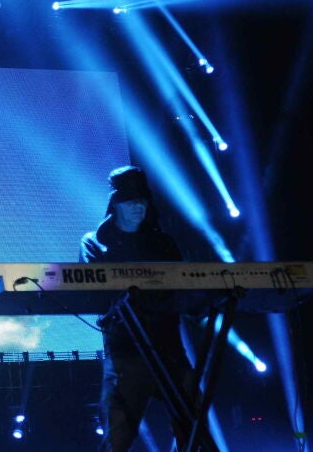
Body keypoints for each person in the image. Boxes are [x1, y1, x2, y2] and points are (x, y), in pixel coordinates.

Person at [79, 165, 218, 452]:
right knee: (117, 438)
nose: (138, 206)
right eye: (131, 200)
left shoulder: (162, 242)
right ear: (115, 203)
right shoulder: (94, 243)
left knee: (193, 425)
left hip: (169, 348)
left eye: (142, 199)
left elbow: (183, 287)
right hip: (125, 352)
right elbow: (97, 293)